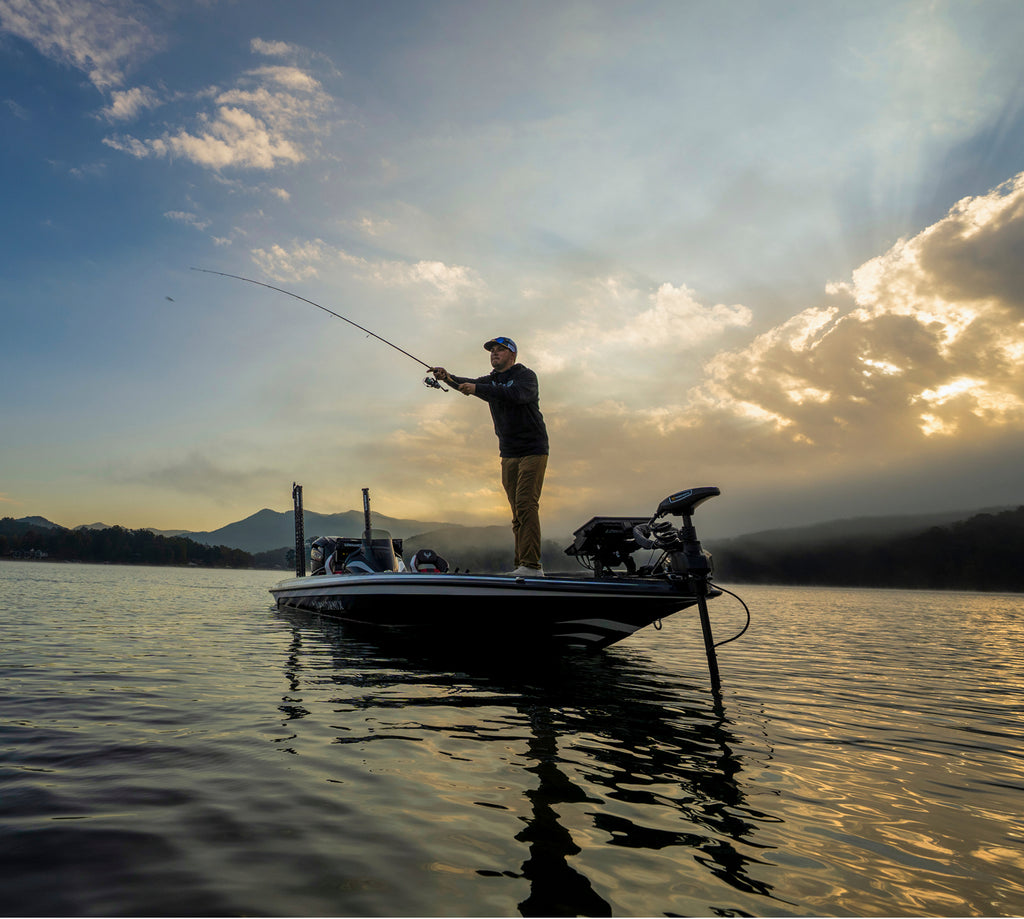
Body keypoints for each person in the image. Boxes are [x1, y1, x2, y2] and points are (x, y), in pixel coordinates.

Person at [430, 337, 549, 576]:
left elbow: (514, 395)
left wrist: (477, 389)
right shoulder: (491, 381)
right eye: (492, 351)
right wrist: (448, 377)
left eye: (500, 350)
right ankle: (522, 567)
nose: (494, 353)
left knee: (527, 505)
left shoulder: (525, 376)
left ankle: (532, 566)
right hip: (508, 452)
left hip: (533, 449)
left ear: (512, 355)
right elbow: (470, 383)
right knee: (517, 511)